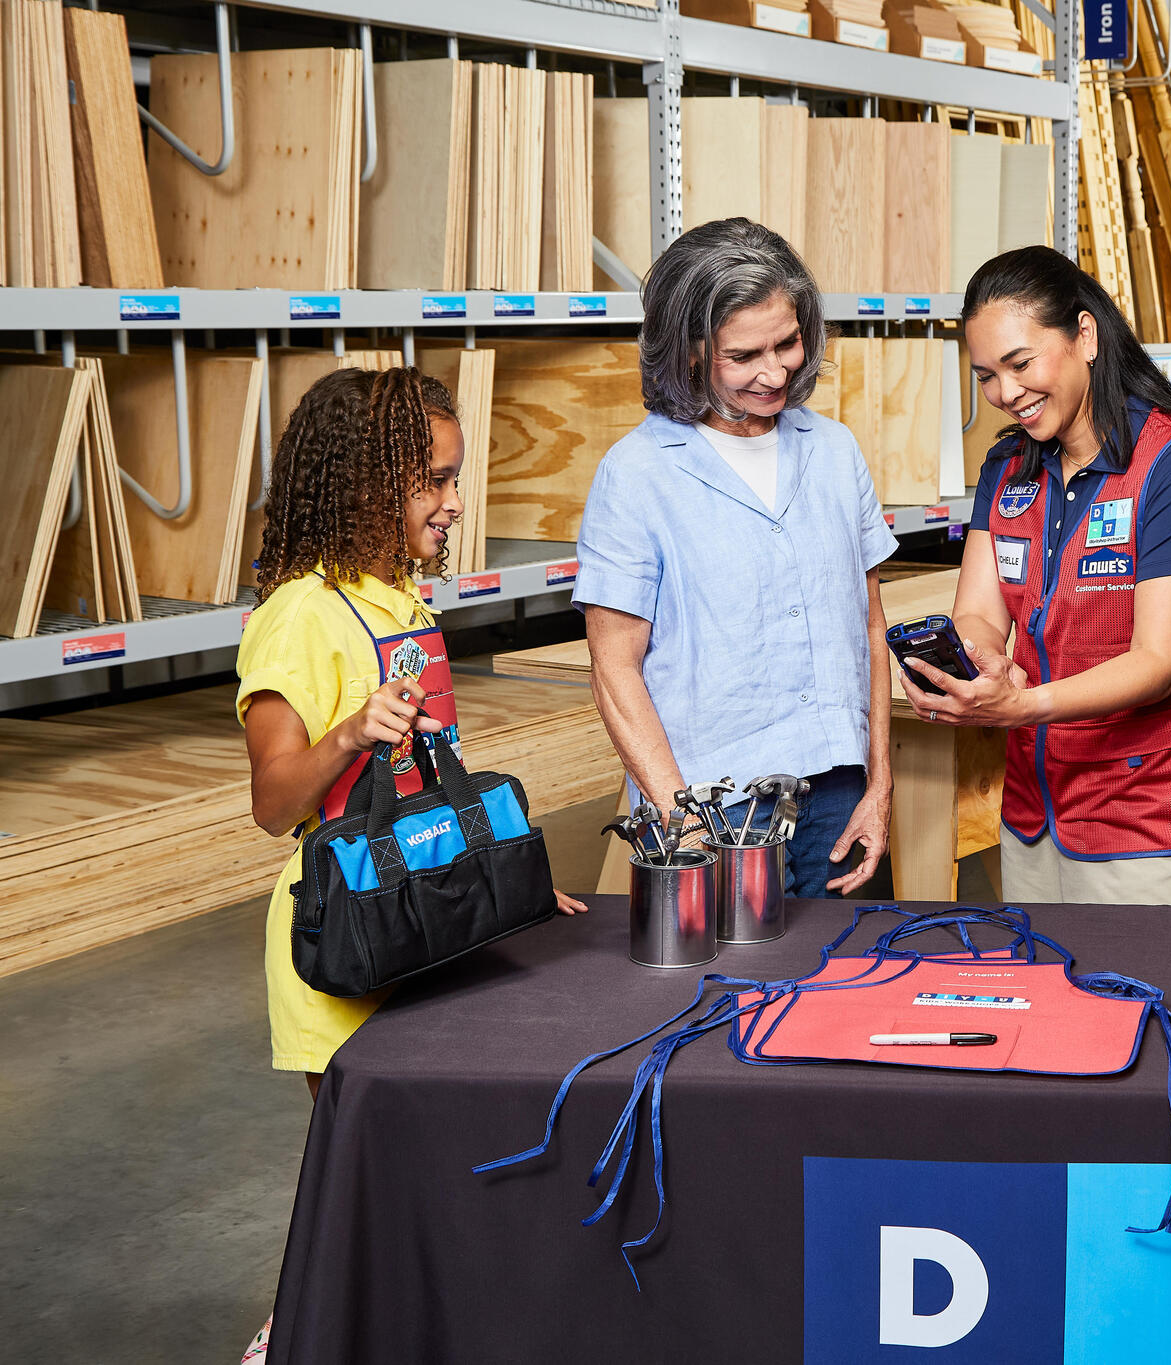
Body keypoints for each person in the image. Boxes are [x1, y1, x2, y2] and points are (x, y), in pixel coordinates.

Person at [237, 367, 588, 1094]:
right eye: (435, 481)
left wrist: (494, 874)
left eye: (455, 480)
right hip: (350, 928)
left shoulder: (402, 599)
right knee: (367, 1157)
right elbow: (272, 805)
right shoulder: (300, 616)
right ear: (367, 485)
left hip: (423, 911)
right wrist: (349, 734)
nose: (455, 503)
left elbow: (424, 778)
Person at [904, 246, 1171, 906]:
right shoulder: (1009, 468)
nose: (1005, 393)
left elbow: (1160, 662)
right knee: (1042, 976)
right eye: (985, 376)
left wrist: (1022, 705)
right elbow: (979, 612)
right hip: (1037, 813)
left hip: (1154, 822)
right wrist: (969, 667)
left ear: (1085, 336)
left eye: (1020, 363)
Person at [576, 218, 894, 896]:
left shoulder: (834, 452)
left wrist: (880, 784)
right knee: (736, 969)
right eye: (745, 355)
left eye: (788, 342)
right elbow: (613, 667)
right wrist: (681, 820)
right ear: (689, 352)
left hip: (839, 786)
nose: (775, 372)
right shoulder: (636, 475)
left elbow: (869, 626)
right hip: (712, 803)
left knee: (851, 961)